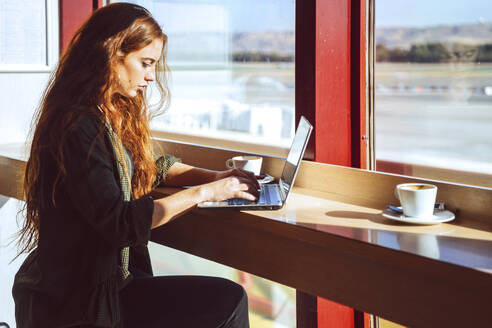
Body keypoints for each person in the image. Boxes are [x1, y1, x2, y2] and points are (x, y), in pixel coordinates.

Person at [12, 3, 259, 328]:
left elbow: (145, 166)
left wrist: (216, 176)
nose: (151, 76)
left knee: (218, 299)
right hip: (80, 303)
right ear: (112, 54)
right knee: (229, 300)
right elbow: (121, 223)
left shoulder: (101, 111)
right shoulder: (78, 126)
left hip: (103, 284)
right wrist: (207, 193)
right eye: (145, 63)